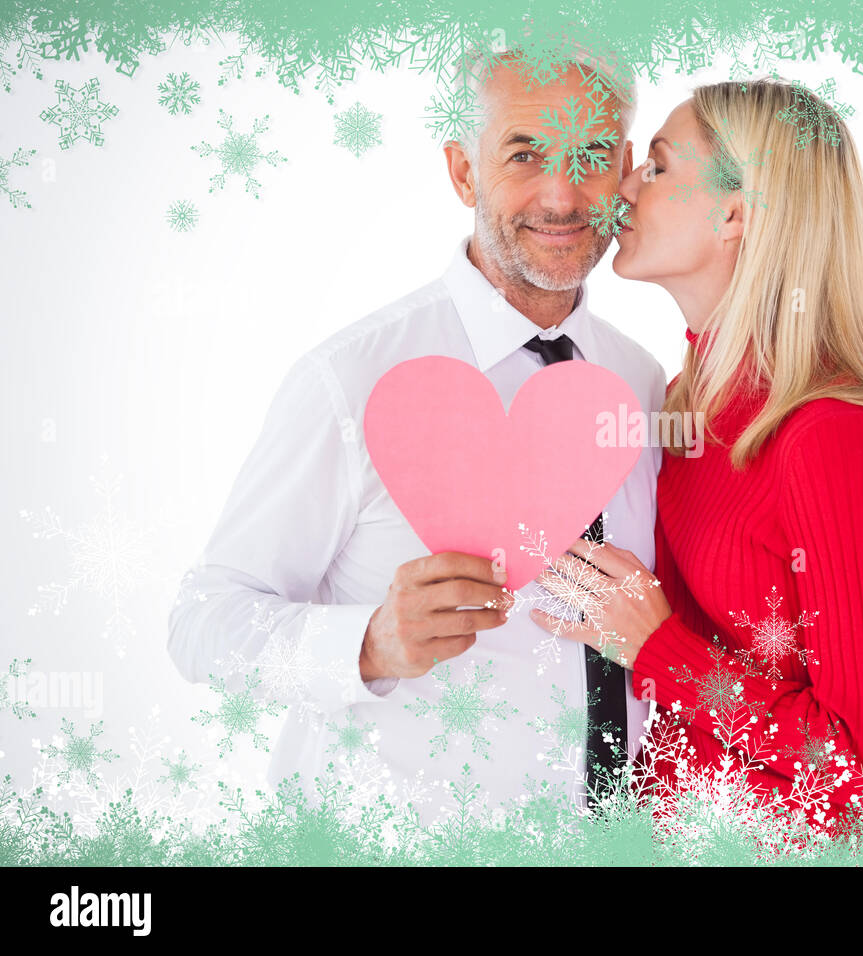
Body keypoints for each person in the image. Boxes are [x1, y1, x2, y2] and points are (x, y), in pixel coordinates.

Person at [167, 48, 666, 822]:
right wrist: (366, 643)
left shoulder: (642, 381)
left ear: (627, 169)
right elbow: (203, 620)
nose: (563, 195)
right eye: (525, 153)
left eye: (593, 155)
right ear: (464, 172)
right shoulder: (351, 378)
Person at [530, 78, 863, 846]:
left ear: (737, 212)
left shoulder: (835, 430)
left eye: (654, 167)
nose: (622, 188)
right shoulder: (684, 402)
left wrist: (658, 650)